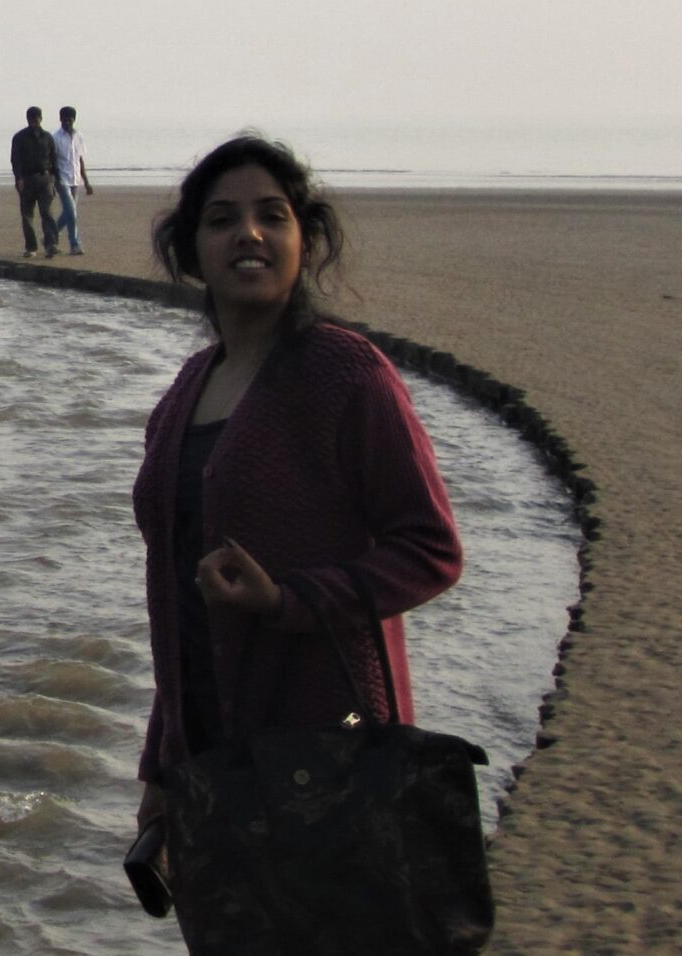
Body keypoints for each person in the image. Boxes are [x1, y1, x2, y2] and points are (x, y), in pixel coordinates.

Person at [130, 135, 463, 942]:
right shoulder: (184, 393)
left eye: (271, 216)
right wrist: (159, 768)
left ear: (302, 241)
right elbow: (177, 603)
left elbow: (432, 548)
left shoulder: (344, 373)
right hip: (210, 769)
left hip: (330, 761)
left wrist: (289, 600)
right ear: (191, 252)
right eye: (222, 219)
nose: (249, 234)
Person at [9, 106, 61, 258]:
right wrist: (18, 178)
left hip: (45, 179)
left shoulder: (47, 137)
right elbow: (15, 160)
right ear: (27, 119)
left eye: (36, 118)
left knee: (47, 212)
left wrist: (55, 180)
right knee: (27, 215)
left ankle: (51, 244)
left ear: (41, 119)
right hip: (27, 180)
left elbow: (54, 159)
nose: (34, 121)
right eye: (31, 118)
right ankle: (31, 247)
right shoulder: (19, 137)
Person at [52, 106, 91, 254]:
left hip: (75, 179)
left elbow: (80, 159)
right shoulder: (55, 138)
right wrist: (54, 181)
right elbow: (53, 161)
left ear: (74, 119)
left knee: (68, 213)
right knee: (72, 212)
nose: (67, 121)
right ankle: (75, 244)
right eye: (64, 118)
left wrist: (86, 181)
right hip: (62, 179)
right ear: (60, 119)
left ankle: (50, 236)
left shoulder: (79, 136)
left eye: (70, 118)